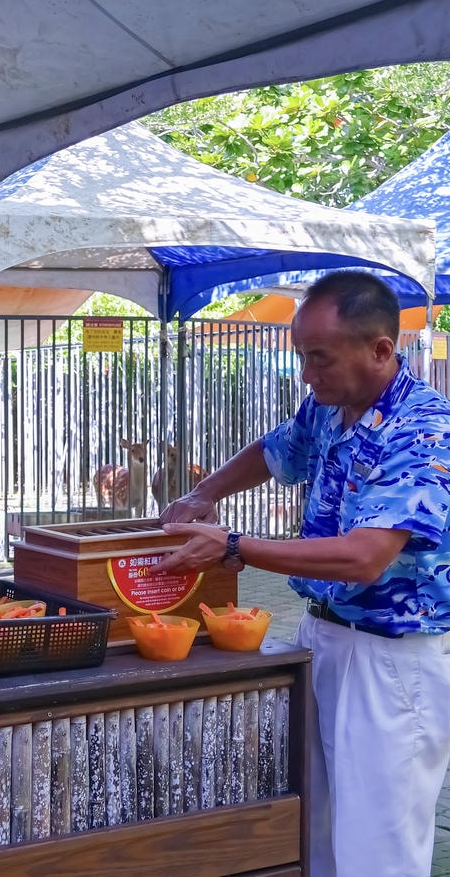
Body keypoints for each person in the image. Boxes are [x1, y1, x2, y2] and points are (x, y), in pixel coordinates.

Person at [154, 270, 450, 876]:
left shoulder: (425, 430)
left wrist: (235, 544)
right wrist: (203, 494)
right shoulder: (328, 406)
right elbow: (275, 449)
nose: (308, 376)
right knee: (316, 831)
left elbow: (363, 557)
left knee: (376, 847)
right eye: (302, 357)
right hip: (322, 635)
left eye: (320, 358)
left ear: (381, 349)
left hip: (392, 660)